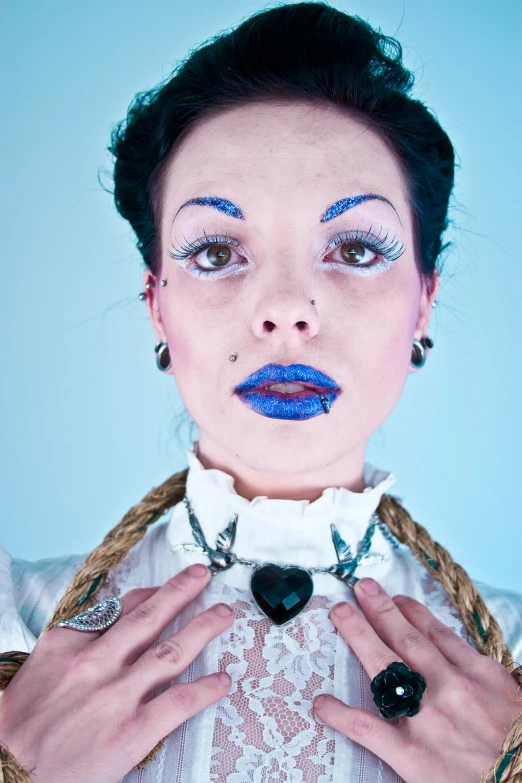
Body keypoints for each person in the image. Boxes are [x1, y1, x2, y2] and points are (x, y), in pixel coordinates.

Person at [1, 3, 521, 782]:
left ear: (423, 301)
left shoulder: (512, 665)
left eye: (352, 248)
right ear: (158, 303)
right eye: (216, 250)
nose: (285, 307)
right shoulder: (14, 625)